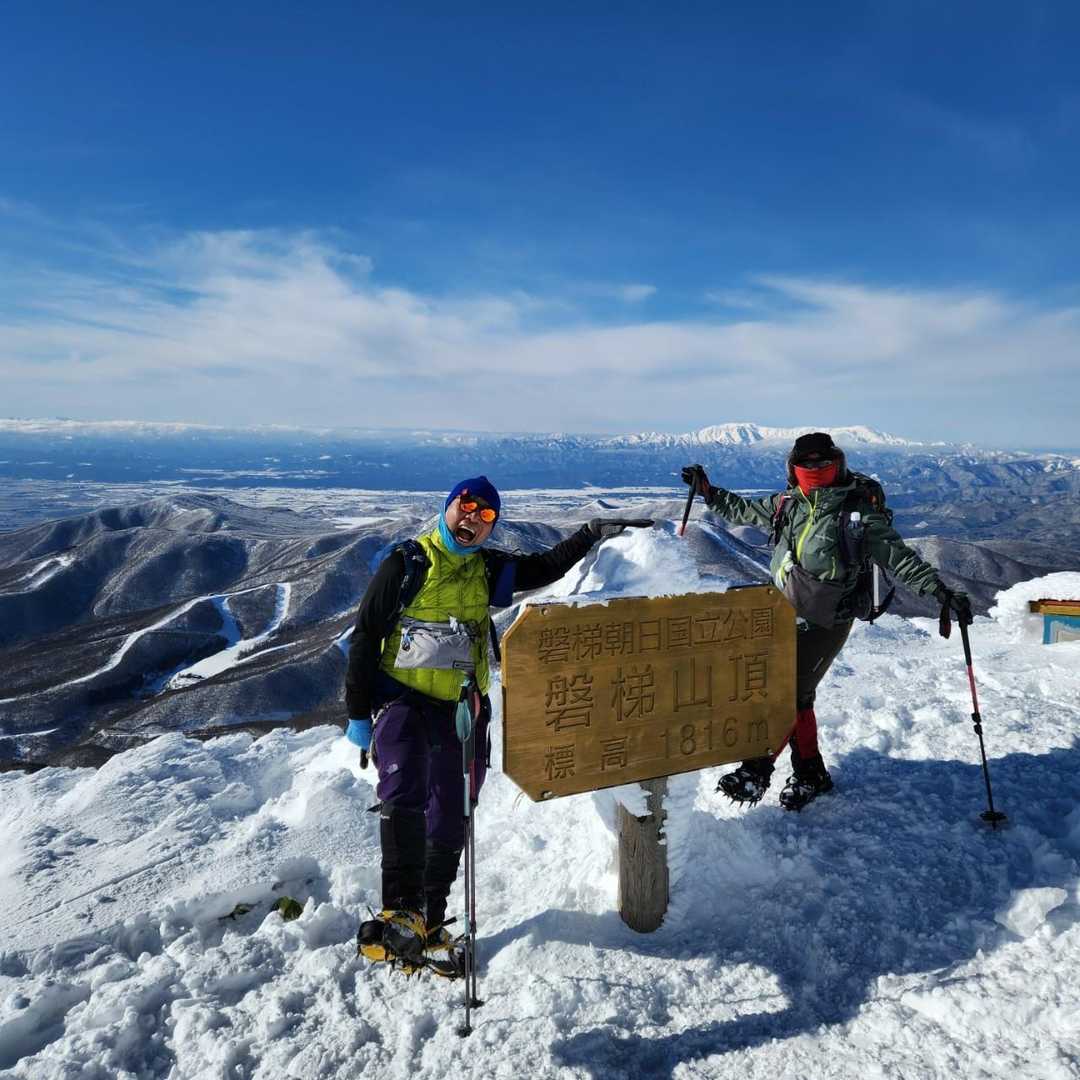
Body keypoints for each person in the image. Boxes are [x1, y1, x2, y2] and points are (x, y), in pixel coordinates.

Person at [344, 475, 652, 973]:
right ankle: (400, 911)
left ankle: (428, 922)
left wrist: (589, 533)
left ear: (491, 528)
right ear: (448, 507)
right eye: (466, 506)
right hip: (402, 698)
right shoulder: (408, 563)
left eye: (486, 515)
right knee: (404, 789)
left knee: (451, 812)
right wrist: (358, 713)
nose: (473, 518)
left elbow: (543, 567)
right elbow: (365, 636)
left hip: (461, 708)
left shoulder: (486, 569)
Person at [682, 432, 972, 812]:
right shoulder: (789, 504)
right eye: (808, 463)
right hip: (786, 612)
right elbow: (744, 511)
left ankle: (756, 770)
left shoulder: (857, 516)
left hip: (827, 620)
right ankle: (811, 774)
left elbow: (899, 558)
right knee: (798, 696)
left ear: (838, 463)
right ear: (794, 467)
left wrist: (941, 592)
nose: (815, 469)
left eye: (823, 462)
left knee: (788, 691)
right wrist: (708, 491)